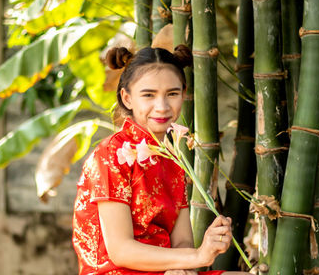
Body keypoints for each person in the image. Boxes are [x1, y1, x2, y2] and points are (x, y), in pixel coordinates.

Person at [72, 45, 237, 275]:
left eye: (172, 94)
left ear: (184, 93)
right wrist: (198, 255)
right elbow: (121, 251)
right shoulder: (111, 154)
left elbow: (181, 243)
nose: (162, 107)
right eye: (148, 95)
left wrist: (186, 265)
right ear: (127, 98)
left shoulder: (172, 159)